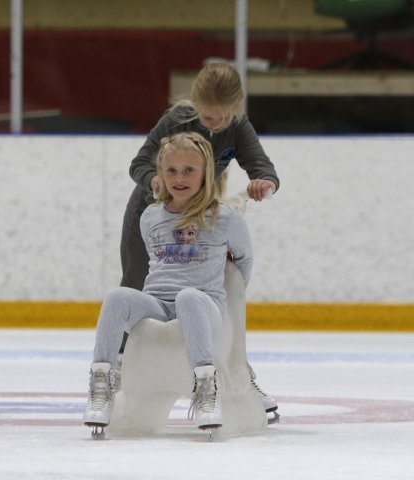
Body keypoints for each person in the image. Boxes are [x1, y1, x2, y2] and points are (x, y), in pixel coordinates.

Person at [119, 62, 280, 416]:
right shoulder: (176, 119)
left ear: (236, 108)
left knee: (222, 292)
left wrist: (263, 184)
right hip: (153, 215)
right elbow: (139, 164)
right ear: (194, 104)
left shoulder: (238, 127)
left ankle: (237, 375)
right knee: (135, 287)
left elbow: (263, 168)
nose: (214, 124)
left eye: (221, 119)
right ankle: (120, 373)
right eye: (207, 118)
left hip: (199, 219)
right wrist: (154, 182)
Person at [83, 132, 253, 433]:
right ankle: (102, 384)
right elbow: (157, 262)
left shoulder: (224, 217)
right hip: (158, 303)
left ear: (206, 173)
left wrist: (226, 297)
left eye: (189, 170)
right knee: (116, 297)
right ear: (160, 173)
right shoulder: (151, 216)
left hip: (204, 304)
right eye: (171, 170)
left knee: (189, 296)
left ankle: (205, 387)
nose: (179, 177)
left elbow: (242, 264)